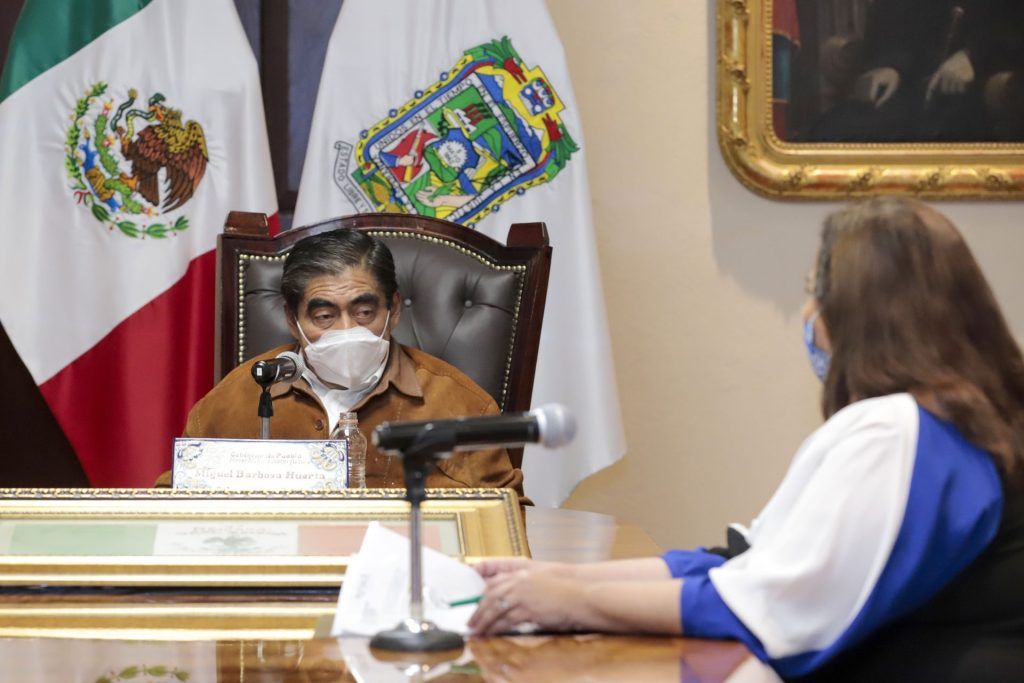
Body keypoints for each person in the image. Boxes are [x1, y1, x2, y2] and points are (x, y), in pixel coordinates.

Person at [469, 198, 1024, 680]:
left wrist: (571, 602)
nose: (807, 316)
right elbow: (743, 562)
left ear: (861, 314)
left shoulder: (895, 431)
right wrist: (557, 578)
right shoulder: (968, 417)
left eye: (815, 296)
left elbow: (767, 607)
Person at [156, 228, 524, 496]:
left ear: (394, 310)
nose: (347, 331)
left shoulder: (461, 406)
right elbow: (170, 502)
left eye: (364, 312)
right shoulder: (235, 399)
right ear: (292, 320)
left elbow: (506, 520)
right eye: (325, 316)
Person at [804, 0, 1024, 142]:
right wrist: (892, 65)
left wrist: (973, 55)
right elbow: (893, 19)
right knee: (833, 134)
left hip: (981, 94)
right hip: (908, 89)